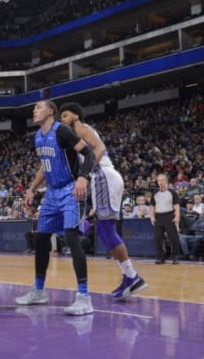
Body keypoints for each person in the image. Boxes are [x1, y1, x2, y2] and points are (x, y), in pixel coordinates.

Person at [15, 99, 96, 316]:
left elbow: (89, 153)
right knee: (41, 239)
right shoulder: (38, 137)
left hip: (71, 189)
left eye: (38, 107)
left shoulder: (62, 132)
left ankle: (84, 297)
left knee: (71, 237)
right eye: (33, 107)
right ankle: (39, 291)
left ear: (51, 111)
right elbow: (45, 165)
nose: (34, 110)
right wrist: (32, 188)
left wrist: (82, 177)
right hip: (51, 192)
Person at [59, 102, 147, 300]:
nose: (62, 119)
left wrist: (86, 172)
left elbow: (100, 148)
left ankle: (133, 277)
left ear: (75, 116)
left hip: (102, 175)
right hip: (103, 177)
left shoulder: (81, 128)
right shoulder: (74, 137)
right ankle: (129, 276)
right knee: (105, 232)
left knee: (106, 231)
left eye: (65, 115)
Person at [149, 173, 182, 265]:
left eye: (163, 180)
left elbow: (176, 205)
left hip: (169, 216)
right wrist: (151, 217)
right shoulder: (155, 193)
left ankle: (175, 257)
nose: (161, 182)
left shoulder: (172, 192)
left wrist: (177, 216)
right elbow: (152, 206)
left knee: (173, 237)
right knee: (158, 238)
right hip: (158, 216)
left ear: (166, 181)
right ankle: (160, 257)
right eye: (159, 180)